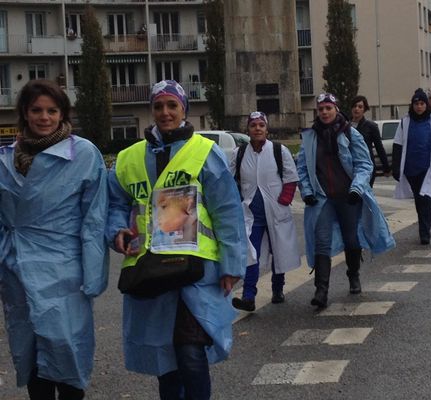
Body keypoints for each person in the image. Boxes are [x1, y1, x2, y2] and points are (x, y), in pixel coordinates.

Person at [106, 80, 246, 400]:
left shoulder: (204, 152)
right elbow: (113, 202)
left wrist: (232, 264)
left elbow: (227, 211)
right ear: (151, 110)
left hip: (196, 273)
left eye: (172, 105)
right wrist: (117, 230)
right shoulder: (128, 159)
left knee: (191, 354)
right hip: (150, 270)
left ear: (185, 109)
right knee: (166, 362)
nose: (165, 113)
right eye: (158, 106)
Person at [0, 79, 108, 399]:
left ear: (63, 114)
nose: (44, 117)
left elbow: (94, 217)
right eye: (36, 110)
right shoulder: (5, 159)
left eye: (52, 110)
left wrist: (93, 274)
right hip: (17, 268)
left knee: (67, 349)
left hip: (65, 269)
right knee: (31, 352)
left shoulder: (84, 154)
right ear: (24, 113)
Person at [296, 93, 395, 308]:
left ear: (336, 110)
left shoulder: (351, 133)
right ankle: (321, 290)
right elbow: (302, 168)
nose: (324, 112)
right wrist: (306, 191)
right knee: (321, 241)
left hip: (348, 197)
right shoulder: (310, 137)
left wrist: (357, 188)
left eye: (328, 108)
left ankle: (353, 274)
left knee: (351, 239)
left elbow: (364, 164)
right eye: (320, 109)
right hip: (322, 199)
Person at [229, 111, 301, 312]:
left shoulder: (279, 150)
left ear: (267, 129)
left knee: (279, 251)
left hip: (276, 211)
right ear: (248, 130)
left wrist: (284, 199)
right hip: (251, 214)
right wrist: (236, 199)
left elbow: (290, 176)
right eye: (253, 125)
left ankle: (278, 289)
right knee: (250, 254)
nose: (257, 128)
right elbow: (229, 179)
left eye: (261, 125)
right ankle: (248, 296)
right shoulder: (240, 153)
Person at [392, 89, 431, 244]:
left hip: (428, 169)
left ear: (426, 105)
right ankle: (423, 225)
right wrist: (395, 167)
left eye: (422, 104)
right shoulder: (405, 122)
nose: (419, 107)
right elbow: (397, 145)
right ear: (412, 105)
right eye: (416, 104)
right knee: (419, 201)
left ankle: (424, 232)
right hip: (410, 168)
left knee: (425, 199)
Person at [350, 95, 390, 186]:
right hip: (350, 166)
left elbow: (379, 148)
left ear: (364, 109)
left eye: (360, 107)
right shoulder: (345, 125)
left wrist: (386, 167)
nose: (357, 109)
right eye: (354, 106)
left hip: (366, 167)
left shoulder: (371, 126)